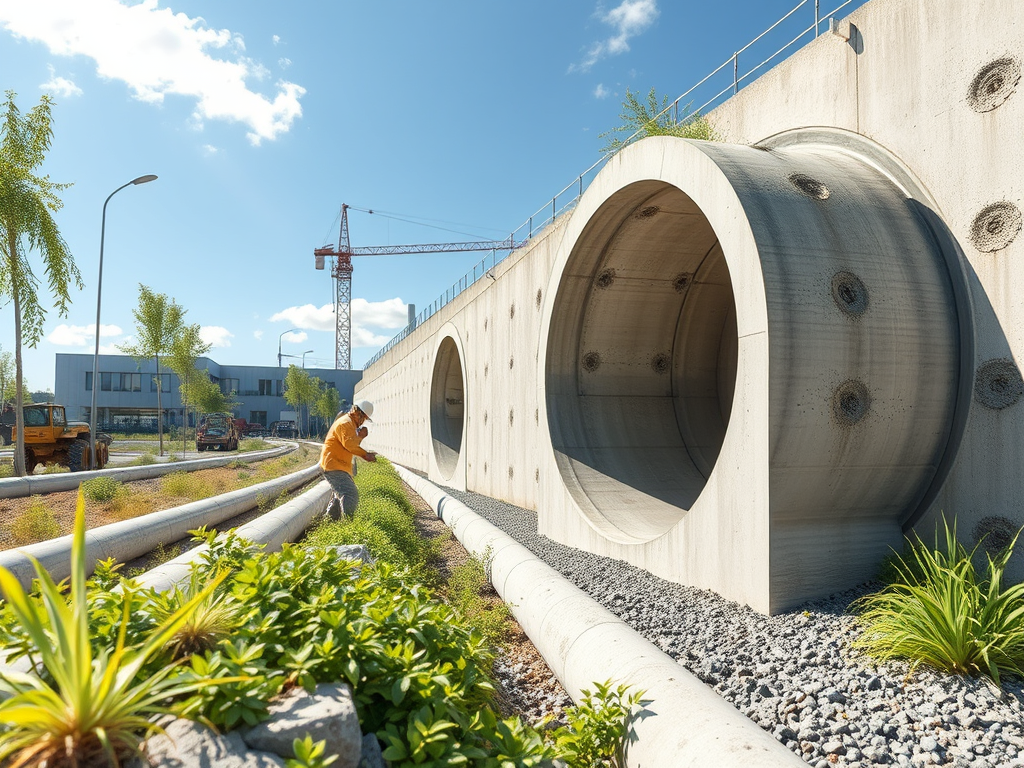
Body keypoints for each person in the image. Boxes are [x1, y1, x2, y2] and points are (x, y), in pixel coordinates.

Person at [320, 400, 378, 519]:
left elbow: (351, 444)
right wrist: (366, 455)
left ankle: (329, 522)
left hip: (338, 465)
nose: (363, 422)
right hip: (334, 465)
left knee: (339, 497)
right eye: (364, 418)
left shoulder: (350, 424)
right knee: (350, 494)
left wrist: (360, 437)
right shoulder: (345, 423)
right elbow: (349, 445)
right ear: (358, 414)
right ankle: (347, 523)